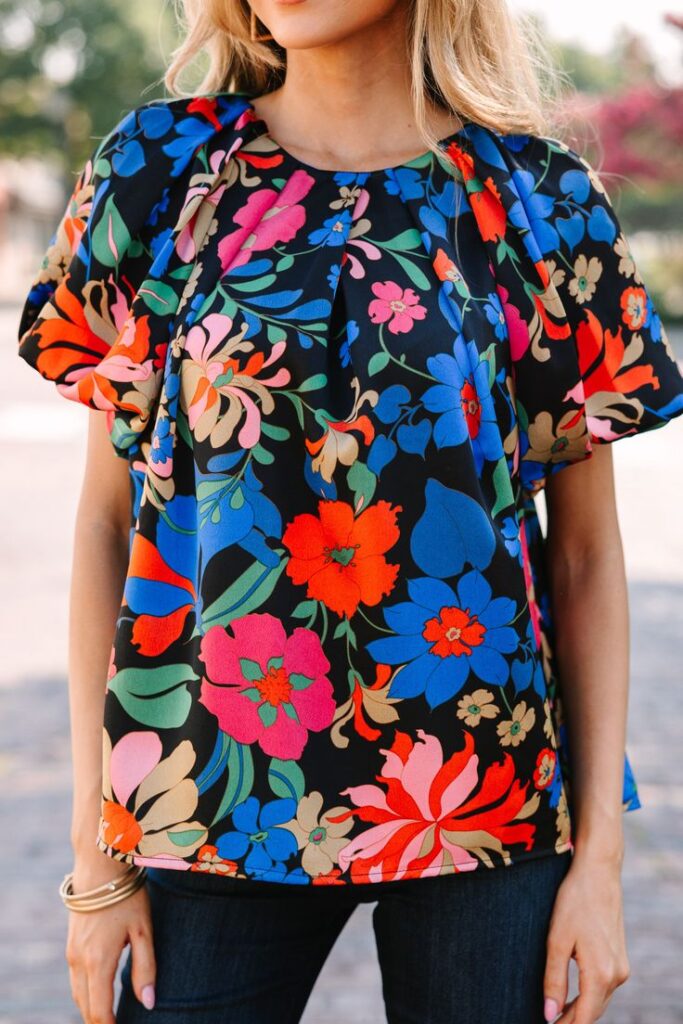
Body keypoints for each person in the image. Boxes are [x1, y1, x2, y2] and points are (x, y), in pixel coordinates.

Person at [15, 1, 683, 1022]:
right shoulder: (160, 171)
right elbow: (110, 526)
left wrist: (597, 863)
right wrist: (94, 860)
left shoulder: (537, 197)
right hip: (201, 788)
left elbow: (585, 559)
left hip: (480, 795)